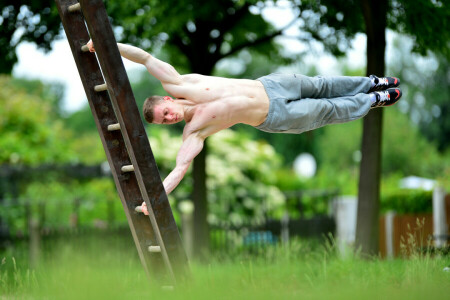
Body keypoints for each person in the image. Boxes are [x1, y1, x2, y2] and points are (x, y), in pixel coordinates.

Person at [87, 41, 402, 215]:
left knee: (322, 85)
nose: (170, 118)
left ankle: (371, 82)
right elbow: (179, 169)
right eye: (165, 121)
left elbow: (144, 57)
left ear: (168, 98)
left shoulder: (181, 82)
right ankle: (375, 99)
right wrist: (154, 200)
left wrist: (103, 44)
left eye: (166, 112)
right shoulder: (194, 132)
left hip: (270, 85)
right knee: (327, 109)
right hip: (274, 116)